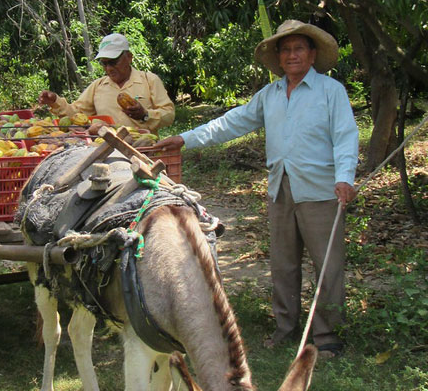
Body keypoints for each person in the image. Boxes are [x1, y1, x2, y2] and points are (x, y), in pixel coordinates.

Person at [156, 20, 359, 358]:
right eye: (286, 50)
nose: (292, 55)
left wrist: (345, 179)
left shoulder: (330, 91)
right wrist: (184, 139)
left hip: (322, 190)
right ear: (279, 58)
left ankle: (326, 335)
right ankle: (285, 326)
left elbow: (345, 136)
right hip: (281, 188)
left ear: (311, 55)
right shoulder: (271, 94)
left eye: (299, 48)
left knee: (327, 263)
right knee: (283, 263)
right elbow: (231, 123)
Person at [38, 33, 175, 135]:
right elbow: (77, 115)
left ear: (129, 57)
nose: (109, 68)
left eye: (113, 62)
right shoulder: (98, 86)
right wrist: (55, 101)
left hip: (144, 150)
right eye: (104, 63)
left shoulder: (149, 80)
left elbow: (169, 114)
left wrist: (145, 114)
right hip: (107, 152)